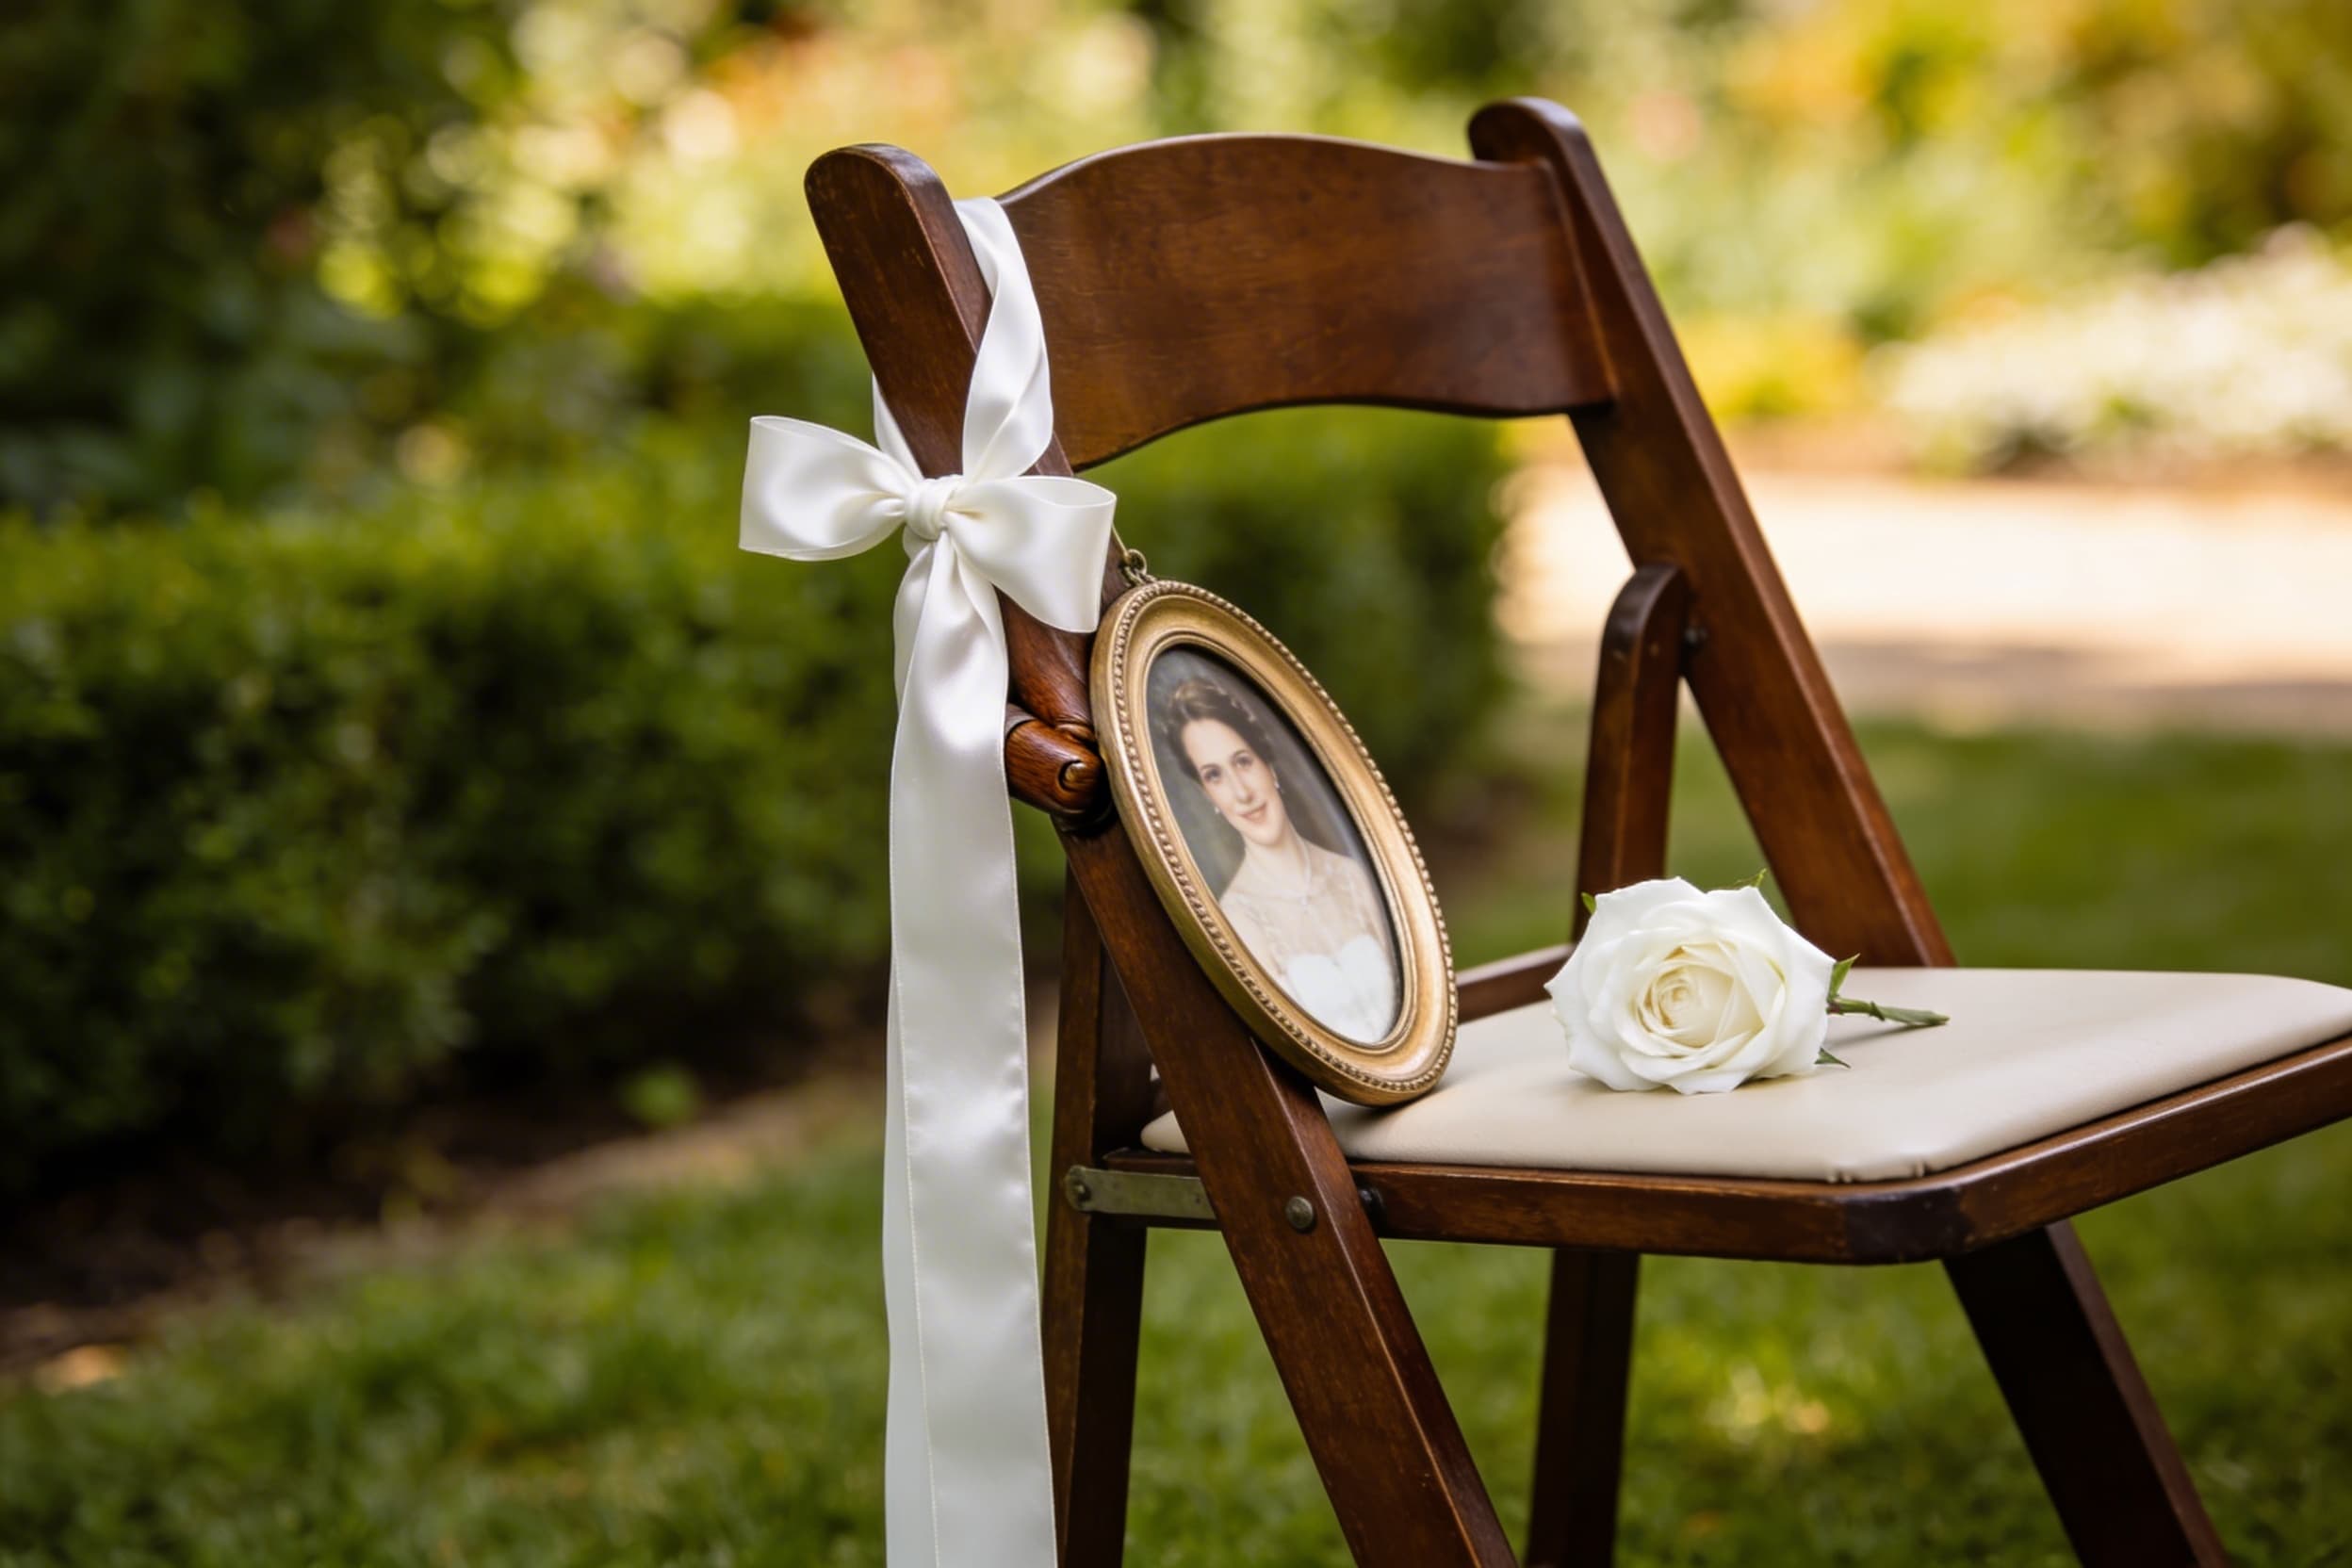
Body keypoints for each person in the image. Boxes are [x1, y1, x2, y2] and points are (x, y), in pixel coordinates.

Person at [1159, 673, 1397, 1042]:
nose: (1241, 792)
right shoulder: (1237, 923)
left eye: (1242, 762)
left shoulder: (1354, 877)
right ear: (1208, 795)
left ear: (1267, 764)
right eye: (1215, 775)